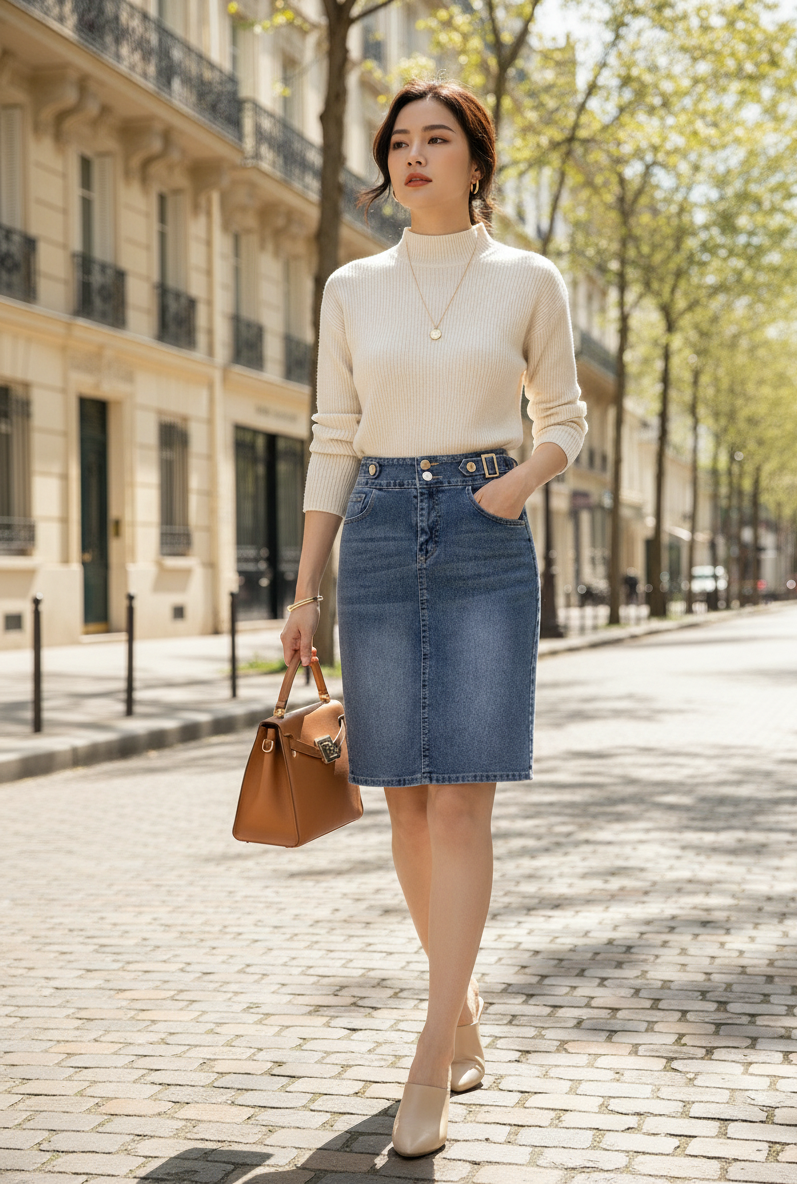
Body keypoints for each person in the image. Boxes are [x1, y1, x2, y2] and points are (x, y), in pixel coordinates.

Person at [280, 78, 587, 1159]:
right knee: (405, 803)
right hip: (370, 530)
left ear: (474, 159)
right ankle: (457, 1009)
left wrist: (513, 486)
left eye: (435, 139)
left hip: (481, 534)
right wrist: (306, 582)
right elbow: (331, 432)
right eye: (399, 142)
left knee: (463, 803)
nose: (413, 156)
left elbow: (567, 416)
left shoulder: (527, 279)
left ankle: (427, 1049)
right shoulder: (353, 286)